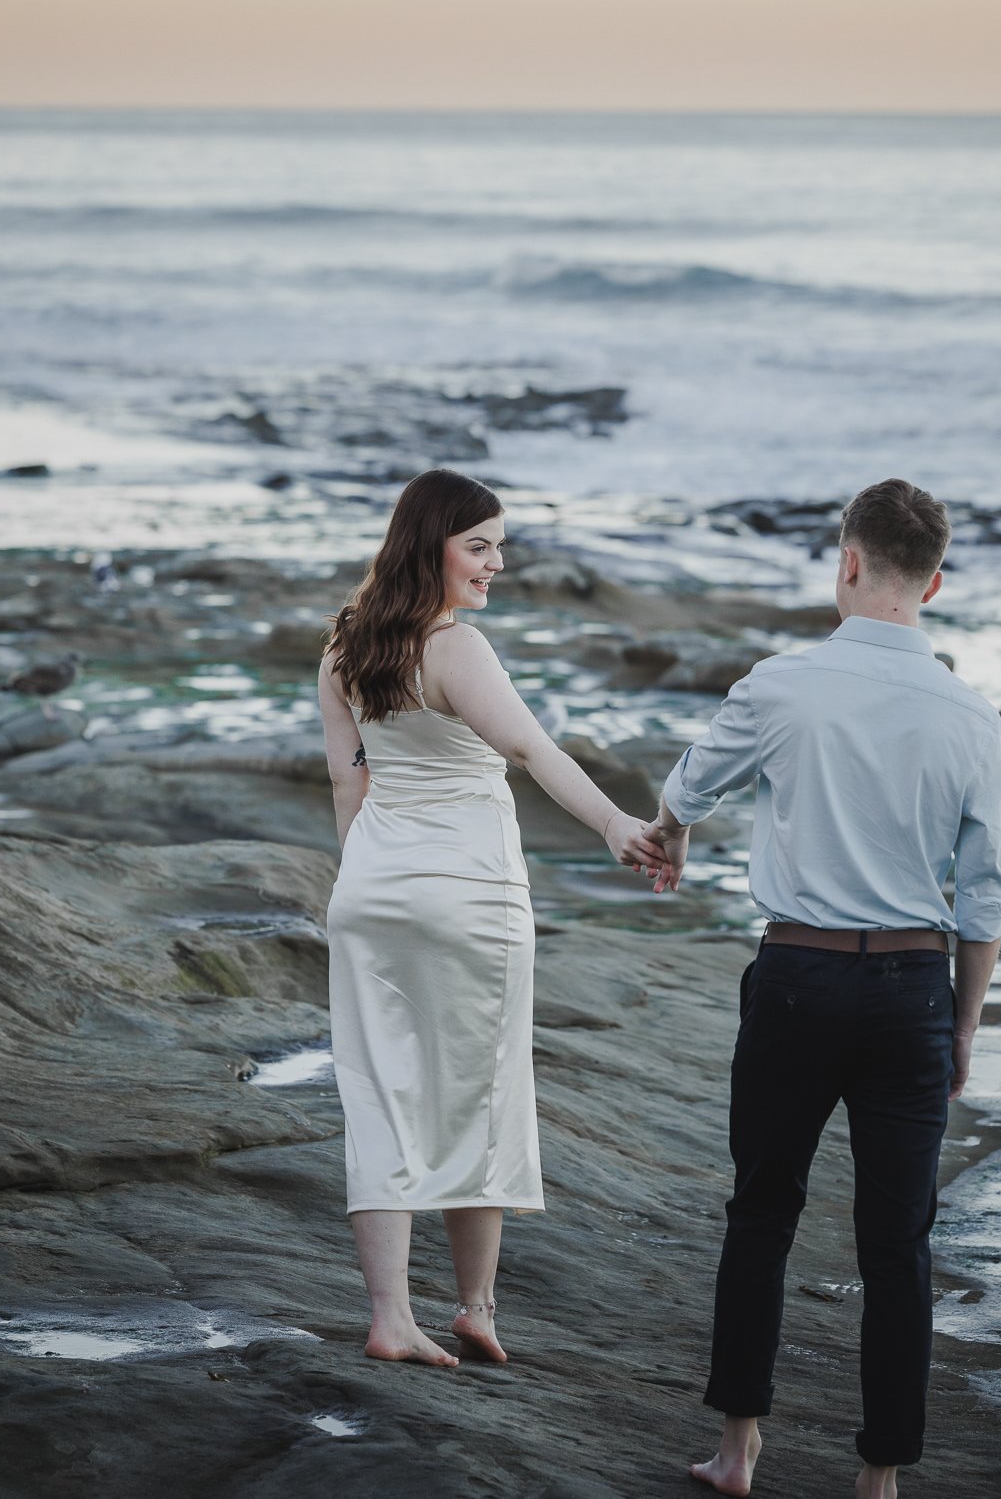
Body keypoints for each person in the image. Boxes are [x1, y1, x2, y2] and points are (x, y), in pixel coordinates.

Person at [644, 479, 1001, 1499]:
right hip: (911, 986)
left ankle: (738, 1446)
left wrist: (670, 833)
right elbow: (984, 900)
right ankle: (880, 1473)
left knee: (763, 1210)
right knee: (898, 1242)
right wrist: (964, 1022)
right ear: (933, 581)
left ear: (848, 560)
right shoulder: (972, 714)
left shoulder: (784, 681)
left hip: (800, 974)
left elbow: (688, 787)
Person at [318, 468, 667, 1368]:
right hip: (469, 893)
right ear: (428, 543)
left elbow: (348, 783)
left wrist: (363, 885)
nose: (496, 563)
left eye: (498, 546)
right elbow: (530, 746)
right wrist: (615, 822)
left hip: (373, 891)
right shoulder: (455, 646)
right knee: (481, 1088)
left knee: (380, 1091)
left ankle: (392, 1314)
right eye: (479, 545)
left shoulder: (344, 647)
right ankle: (474, 1305)